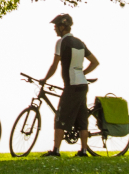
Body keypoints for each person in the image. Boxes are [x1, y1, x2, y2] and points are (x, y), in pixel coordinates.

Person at [38, 13, 100, 157]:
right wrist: (83, 73)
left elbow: (54, 66)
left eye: (55, 26)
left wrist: (45, 79)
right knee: (81, 118)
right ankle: (83, 151)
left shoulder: (61, 43)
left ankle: (56, 151)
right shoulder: (80, 42)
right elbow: (95, 62)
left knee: (60, 117)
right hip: (82, 85)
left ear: (62, 26)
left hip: (71, 86)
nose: (54, 29)